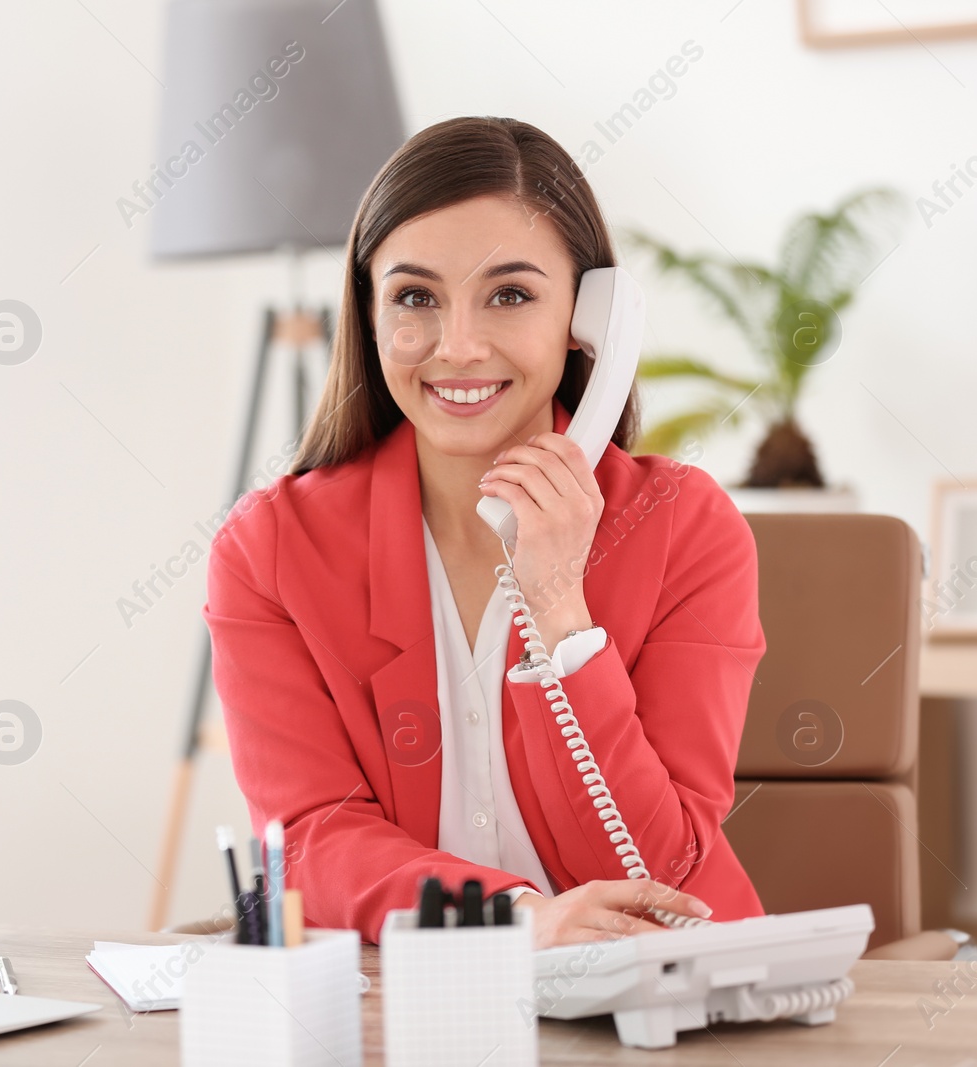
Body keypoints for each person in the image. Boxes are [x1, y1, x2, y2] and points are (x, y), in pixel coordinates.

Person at [202, 116, 765, 948]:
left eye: (510, 294)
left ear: (589, 315)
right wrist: (514, 918)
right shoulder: (272, 550)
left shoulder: (685, 528)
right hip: (420, 1009)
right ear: (368, 312)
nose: (457, 346)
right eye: (416, 298)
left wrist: (560, 612)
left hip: (669, 1000)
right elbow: (314, 839)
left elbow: (660, 867)